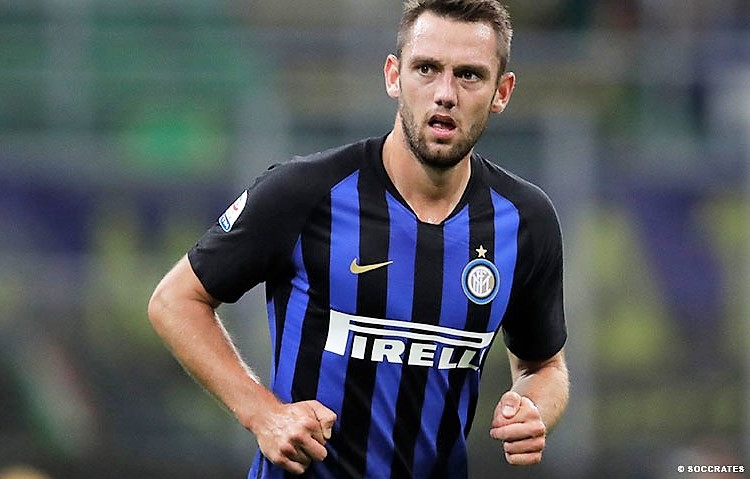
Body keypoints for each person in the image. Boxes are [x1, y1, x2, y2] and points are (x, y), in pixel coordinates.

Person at [148, 0, 569, 477]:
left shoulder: (525, 221)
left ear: (501, 92)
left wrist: (533, 410)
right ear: (393, 76)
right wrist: (263, 414)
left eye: (469, 75)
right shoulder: (306, 192)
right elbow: (175, 301)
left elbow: (544, 367)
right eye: (426, 69)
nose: (445, 94)